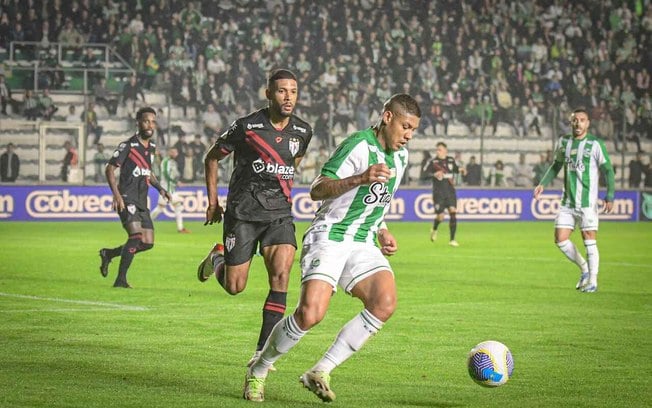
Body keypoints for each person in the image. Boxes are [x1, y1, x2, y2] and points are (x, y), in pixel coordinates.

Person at [244, 93, 421, 402]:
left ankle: (320, 370)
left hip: (362, 240)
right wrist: (361, 177)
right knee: (310, 314)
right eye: (406, 126)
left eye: (414, 130)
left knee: (384, 302)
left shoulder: (401, 157)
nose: (409, 135)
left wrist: (382, 229)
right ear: (388, 117)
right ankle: (259, 369)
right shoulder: (357, 145)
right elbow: (317, 189)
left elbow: (377, 202)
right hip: (330, 234)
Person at [196, 69, 313, 368]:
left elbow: (292, 163)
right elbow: (212, 157)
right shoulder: (247, 127)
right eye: (282, 91)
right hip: (243, 213)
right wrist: (213, 202)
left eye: (294, 91)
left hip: (279, 214)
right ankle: (218, 258)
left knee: (282, 275)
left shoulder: (303, 131)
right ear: (269, 94)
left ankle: (261, 355)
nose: (288, 97)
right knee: (235, 286)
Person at [533, 108, 615, 293]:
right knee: (560, 239)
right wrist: (542, 183)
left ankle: (593, 280)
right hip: (568, 202)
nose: (578, 123)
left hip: (587, 203)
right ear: (571, 123)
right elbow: (556, 165)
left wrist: (609, 196)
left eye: (582, 120)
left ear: (588, 123)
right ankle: (585, 269)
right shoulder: (564, 142)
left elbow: (608, 171)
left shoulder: (595, 144)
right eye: (575, 120)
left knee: (589, 239)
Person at [98, 107, 172, 288]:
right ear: (138, 122)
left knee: (147, 243)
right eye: (146, 121)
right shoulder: (128, 146)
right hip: (126, 197)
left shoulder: (152, 147)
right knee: (136, 236)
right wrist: (116, 195)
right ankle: (120, 280)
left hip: (142, 201)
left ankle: (109, 254)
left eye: (153, 122)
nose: (150, 125)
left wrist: (160, 188)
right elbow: (109, 168)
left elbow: (148, 173)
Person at [425, 142, 460, 246]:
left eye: (439, 149)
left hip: (450, 191)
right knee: (440, 216)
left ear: (445, 150)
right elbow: (425, 175)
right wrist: (434, 174)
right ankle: (434, 228)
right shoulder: (433, 162)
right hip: (438, 193)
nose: (437, 151)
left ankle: (452, 240)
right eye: (437, 150)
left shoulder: (451, 160)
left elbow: (456, 172)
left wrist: (461, 171)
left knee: (453, 212)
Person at [150, 147, 190, 233]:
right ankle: (146, 223)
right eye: (174, 152)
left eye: (176, 152)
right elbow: (166, 174)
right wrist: (176, 182)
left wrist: (176, 181)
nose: (175, 154)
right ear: (170, 152)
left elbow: (174, 174)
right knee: (161, 208)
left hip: (171, 188)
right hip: (165, 188)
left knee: (177, 206)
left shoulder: (173, 162)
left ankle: (180, 228)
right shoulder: (166, 161)